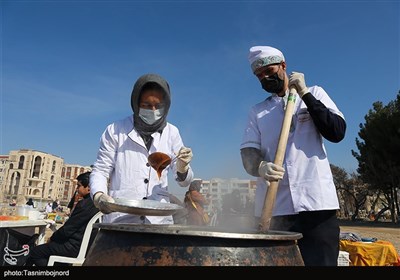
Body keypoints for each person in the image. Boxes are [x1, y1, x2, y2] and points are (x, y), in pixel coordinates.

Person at [240, 46, 346, 266]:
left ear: (283, 66)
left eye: (269, 70)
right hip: (276, 210)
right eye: (259, 75)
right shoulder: (258, 112)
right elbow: (248, 153)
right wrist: (260, 167)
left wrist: (305, 94)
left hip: (317, 206)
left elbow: (336, 131)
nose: (265, 77)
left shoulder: (314, 93)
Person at [90, 73, 194, 224]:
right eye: (146, 105)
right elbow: (101, 169)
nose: (153, 110)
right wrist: (99, 195)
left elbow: (183, 182)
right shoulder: (115, 130)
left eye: (158, 106)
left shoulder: (172, 133)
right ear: (136, 103)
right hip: (121, 218)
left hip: (158, 220)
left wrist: (182, 168)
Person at [24, 171, 99, 266]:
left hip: (73, 247)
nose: (77, 189)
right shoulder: (97, 204)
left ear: (88, 188)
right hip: (86, 247)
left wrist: (52, 238)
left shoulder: (84, 205)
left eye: (78, 186)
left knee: (35, 252)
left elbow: (67, 230)